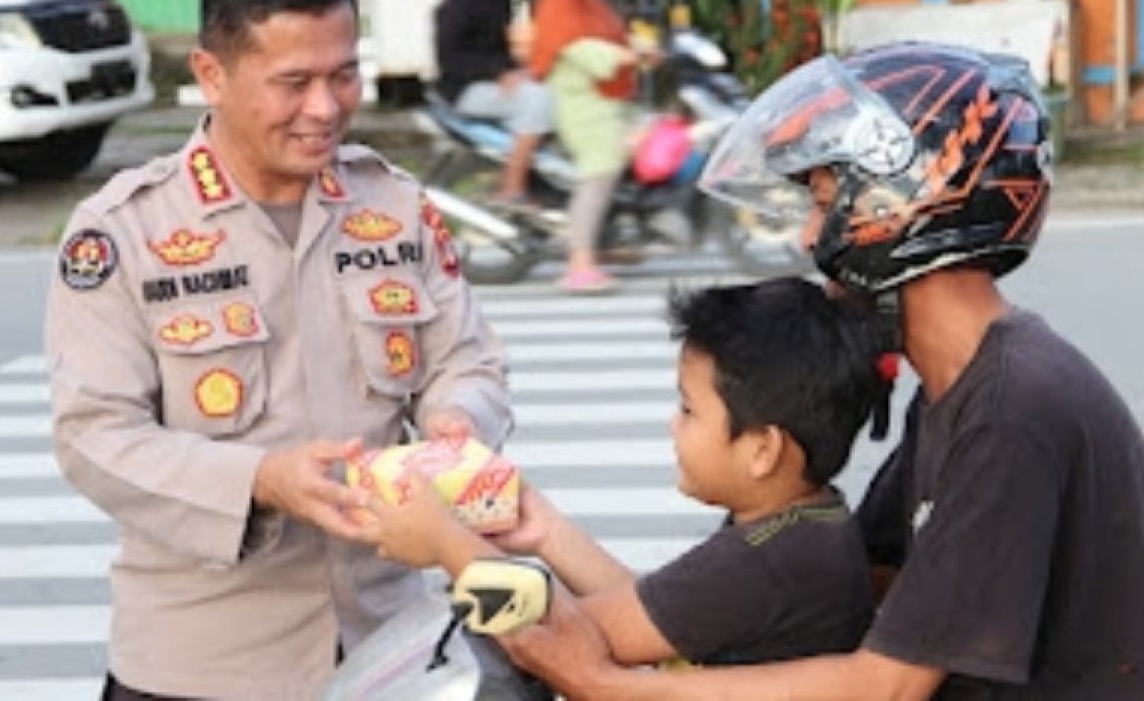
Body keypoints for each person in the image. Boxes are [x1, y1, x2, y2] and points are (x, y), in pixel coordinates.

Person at [496, 43, 1144, 699]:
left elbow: (889, 684)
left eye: (824, 203)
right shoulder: (961, 386)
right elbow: (862, 579)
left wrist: (604, 684)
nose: (807, 238)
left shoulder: (1008, 410)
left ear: (898, 210)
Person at [45, 0, 511, 700]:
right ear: (211, 73)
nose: (325, 109)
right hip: (202, 667)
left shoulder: (392, 204)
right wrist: (261, 479)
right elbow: (94, 436)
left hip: (390, 647)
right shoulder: (125, 231)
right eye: (293, 82)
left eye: (345, 74)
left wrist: (458, 424)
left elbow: (467, 357)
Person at [365, 277, 883, 667]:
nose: (673, 426)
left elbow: (563, 636)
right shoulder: (802, 523)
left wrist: (445, 542)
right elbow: (650, 615)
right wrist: (544, 530)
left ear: (763, 449)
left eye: (689, 410)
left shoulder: (767, 562)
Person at [528, 0, 649, 293]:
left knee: (654, 138)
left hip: (609, 98)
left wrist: (638, 48)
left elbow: (614, 34)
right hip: (582, 102)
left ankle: (607, 240)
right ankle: (579, 262)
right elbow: (584, 50)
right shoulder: (556, 0)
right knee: (603, 166)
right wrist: (630, 55)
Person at [434, 0, 554, 204]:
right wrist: (499, 72)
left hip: (491, 82)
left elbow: (497, 48)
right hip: (462, 90)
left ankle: (540, 178)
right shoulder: (459, 4)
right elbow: (450, 60)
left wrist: (519, 69)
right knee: (536, 101)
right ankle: (511, 187)